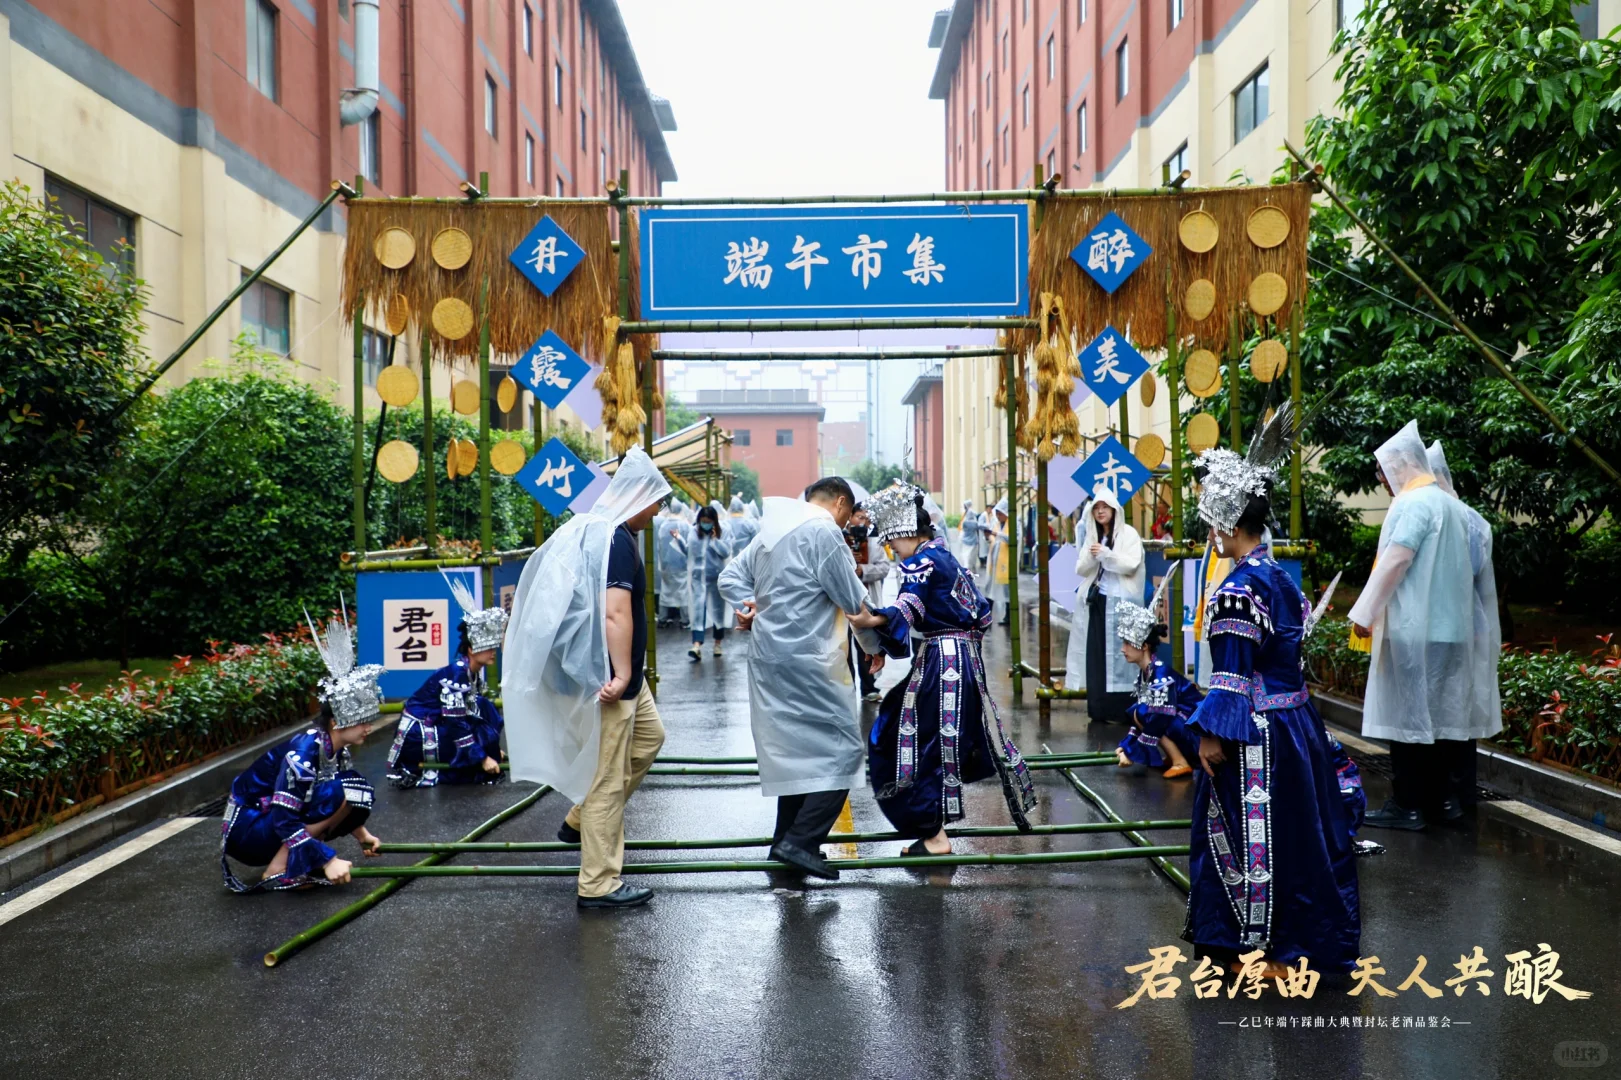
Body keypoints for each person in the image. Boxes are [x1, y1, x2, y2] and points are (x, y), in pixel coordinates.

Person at [1183, 407, 1361, 977]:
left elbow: (1232, 675)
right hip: (1296, 726)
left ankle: (1258, 952)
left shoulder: (1238, 588)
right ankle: (1301, 945)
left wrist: (1211, 736)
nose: (1211, 535)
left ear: (1232, 527)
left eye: (1213, 524)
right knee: (1301, 839)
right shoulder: (1280, 577)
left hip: (1255, 734)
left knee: (1248, 840)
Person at [503, 447, 671, 910]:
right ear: (636, 496)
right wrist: (620, 674)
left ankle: (579, 819)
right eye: (656, 500)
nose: (658, 511)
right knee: (607, 780)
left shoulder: (602, 532)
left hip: (622, 675)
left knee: (650, 739)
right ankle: (598, 883)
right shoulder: (612, 539)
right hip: (609, 676)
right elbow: (614, 612)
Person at [853, 484, 1036, 855]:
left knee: (907, 737)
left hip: (942, 658)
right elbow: (983, 612)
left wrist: (875, 619)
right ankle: (932, 830)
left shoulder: (921, 561)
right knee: (936, 740)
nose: (892, 550)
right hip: (964, 658)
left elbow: (909, 606)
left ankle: (933, 835)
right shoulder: (948, 558)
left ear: (907, 533)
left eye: (893, 541)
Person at [718, 476, 879, 881]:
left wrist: (748, 607)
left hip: (769, 661)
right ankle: (802, 841)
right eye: (850, 513)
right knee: (843, 752)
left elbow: (729, 579)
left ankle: (783, 845)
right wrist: (875, 646)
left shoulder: (771, 531)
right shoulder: (825, 532)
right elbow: (852, 600)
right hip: (812, 661)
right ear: (841, 503)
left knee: (792, 756)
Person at [1348, 422, 1483, 831]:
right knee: (1442, 718)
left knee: (1410, 719)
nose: (1384, 482)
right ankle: (1442, 802)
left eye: (1384, 473)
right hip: (1452, 629)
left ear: (1401, 465)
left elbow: (1395, 561)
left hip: (1415, 628)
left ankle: (1407, 805)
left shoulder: (1412, 505)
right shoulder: (1450, 505)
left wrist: (1363, 614)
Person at [221, 613, 384, 892]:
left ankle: (297, 861)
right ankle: (279, 870)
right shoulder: (304, 753)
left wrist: (362, 835)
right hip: (248, 832)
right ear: (336, 722)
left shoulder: (334, 748)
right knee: (340, 791)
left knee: (354, 788)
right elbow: (283, 818)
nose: (368, 727)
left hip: (267, 824)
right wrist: (328, 858)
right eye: (362, 721)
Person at [1426, 438, 1502, 813]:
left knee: (1438, 712)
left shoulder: (1437, 518)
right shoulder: (1474, 519)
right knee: (1457, 711)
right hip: (1467, 627)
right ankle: (1458, 795)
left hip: (1437, 629)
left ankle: (1441, 795)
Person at [386, 573, 506, 788]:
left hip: (439, 723)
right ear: (471, 650)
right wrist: (482, 757)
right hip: (420, 731)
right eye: (488, 648)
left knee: (484, 708)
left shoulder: (471, 672)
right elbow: (455, 723)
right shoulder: (456, 674)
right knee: (471, 730)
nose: (493, 652)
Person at [1063, 486, 1146, 724]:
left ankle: (1123, 710)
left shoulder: (1128, 534)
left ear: (1114, 509)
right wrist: (1093, 554)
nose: (1100, 512)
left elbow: (1131, 564)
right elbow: (1080, 568)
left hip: (1122, 605)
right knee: (1098, 656)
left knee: (1123, 656)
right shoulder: (1093, 535)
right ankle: (1098, 709)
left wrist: (1107, 555)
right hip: (1098, 602)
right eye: (1096, 508)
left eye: (1104, 507)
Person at [1111, 570, 1199, 779]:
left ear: (1144, 646)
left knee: (1147, 712)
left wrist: (1132, 752)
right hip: (1184, 725)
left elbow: (1158, 719)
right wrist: (1126, 746)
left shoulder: (1160, 675)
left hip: (1197, 733)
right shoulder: (1147, 672)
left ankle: (1180, 761)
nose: (1123, 649)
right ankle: (1174, 756)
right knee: (1139, 710)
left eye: (1127, 644)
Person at [844, 503, 893, 702]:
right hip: (842, 603)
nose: (862, 522)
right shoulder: (839, 539)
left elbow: (884, 568)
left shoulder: (874, 543)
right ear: (850, 517)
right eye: (858, 517)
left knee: (868, 645)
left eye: (866, 519)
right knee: (843, 646)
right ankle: (847, 690)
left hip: (866, 600)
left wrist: (862, 570)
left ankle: (869, 687)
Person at [685, 504, 733, 661]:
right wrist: (679, 539)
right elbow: (689, 550)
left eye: (708, 521)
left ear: (714, 521)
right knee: (698, 611)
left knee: (718, 611)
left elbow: (726, 552)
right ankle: (697, 645)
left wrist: (714, 540)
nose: (705, 524)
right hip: (699, 578)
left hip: (716, 577)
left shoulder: (723, 531)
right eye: (703, 521)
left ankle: (717, 644)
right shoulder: (694, 531)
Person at [653, 502, 690, 629]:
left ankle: (662, 619)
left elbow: (659, 547)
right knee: (683, 593)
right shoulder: (685, 526)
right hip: (682, 566)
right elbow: (688, 547)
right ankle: (685, 620)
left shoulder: (663, 526)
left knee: (665, 592)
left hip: (665, 566)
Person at [983, 497, 1012, 626]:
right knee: (990, 590)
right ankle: (986, 616)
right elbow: (993, 538)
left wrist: (996, 534)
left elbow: (1012, 540)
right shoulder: (996, 524)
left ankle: (1009, 617)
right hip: (994, 563)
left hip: (1006, 564)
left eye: (1000, 514)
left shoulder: (1013, 524)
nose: (998, 516)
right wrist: (988, 536)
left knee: (1006, 591)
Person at [958, 499, 982, 572]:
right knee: (970, 557)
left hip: (966, 540)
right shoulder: (974, 521)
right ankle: (970, 570)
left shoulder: (967, 519)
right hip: (971, 541)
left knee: (967, 557)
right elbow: (979, 526)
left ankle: (969, 570)